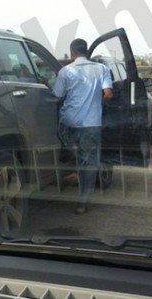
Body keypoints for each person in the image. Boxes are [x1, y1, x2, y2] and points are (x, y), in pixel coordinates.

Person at [52, 39, 113, 214]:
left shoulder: (66, 71)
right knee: (90, 162)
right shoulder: (102, 69)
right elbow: (108, 93)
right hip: (92, 124)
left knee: (66, 142)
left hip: (69, 122)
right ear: (87, 52)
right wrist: (98, 105)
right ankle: (82, 203)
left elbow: (56, 96)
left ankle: (72, 154)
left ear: (72, 53)